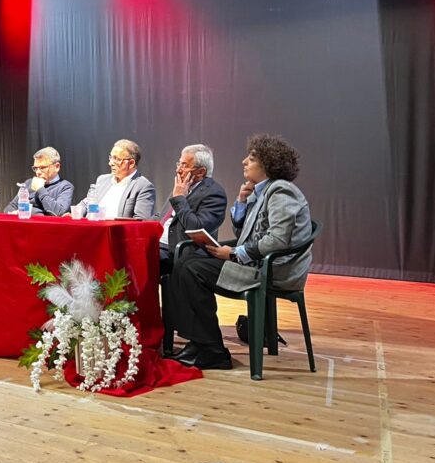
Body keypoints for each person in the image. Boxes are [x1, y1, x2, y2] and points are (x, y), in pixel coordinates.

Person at [167, 133, 312, 370]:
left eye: (252, 158)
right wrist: (242, 203)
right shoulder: (263, 191)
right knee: (186, 259)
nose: (244, 161)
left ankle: (212, 349)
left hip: (272, 271)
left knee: (192, 268)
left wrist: (234, 253)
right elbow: (247, 232)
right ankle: (199, 343)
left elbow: (277, 240)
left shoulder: (282, 191)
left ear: (268, 164)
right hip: (257, 264)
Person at [158, 144, 228, 276]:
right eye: (179, 164)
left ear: (201, 172)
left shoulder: (213, 193)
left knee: (142, 258)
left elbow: (196, 227)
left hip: (179, 250)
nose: (178, 170)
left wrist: (179, 198)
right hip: (160, 243)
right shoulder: (183, 185)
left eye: (184, 165)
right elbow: (163, 217)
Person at [73, 139, 156, 220]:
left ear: (131, 163)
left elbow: (141, 223)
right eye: (111, 157)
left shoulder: (143, 186)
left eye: (117, 159)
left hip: (117, 233)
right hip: (94, 229)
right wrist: (75, 212)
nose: (110, 163)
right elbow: (87, 202)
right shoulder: (102, 180)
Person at [3, 147, 74, 216]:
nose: (38, 172)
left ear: (57, 167)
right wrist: (15, 213)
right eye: (35, 168)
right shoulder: (29, 183)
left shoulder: (65, 187)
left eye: (42, 168)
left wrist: (40, 189)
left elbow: (58, 212)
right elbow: (10, 207)